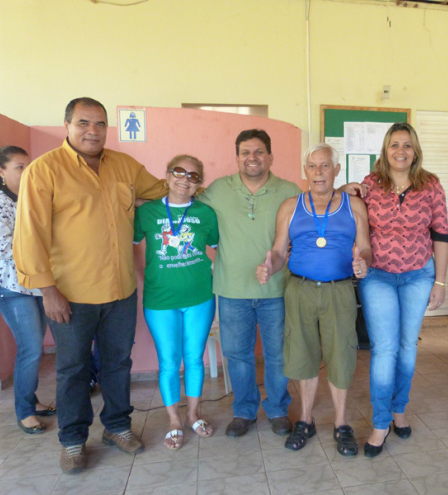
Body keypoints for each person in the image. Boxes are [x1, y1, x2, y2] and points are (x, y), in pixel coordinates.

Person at [13, 97, 168, 474]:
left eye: (100, 124)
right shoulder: (44, 171)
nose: (93, 131)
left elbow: (162, 189)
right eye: (84, 123)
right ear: (66, 125)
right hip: (70, 295)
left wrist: (194, 184)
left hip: (120, 290)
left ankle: (117, 427)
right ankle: (72, 440)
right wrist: (47, 290)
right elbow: (29, 234)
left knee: (118, 363)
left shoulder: (124, 165)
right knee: (72, 370)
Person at [344, 123, 448, 457]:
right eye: (394, 145)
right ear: (385, 151)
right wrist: (345, 189)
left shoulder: (430, 184)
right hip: (378, 276)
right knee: (384, 348)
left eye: (407, 145)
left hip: (419, 275)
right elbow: (349, 215)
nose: (400, 151)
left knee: (407, 347)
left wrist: (441, 282)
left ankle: (399, 410)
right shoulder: (371, 184)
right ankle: (380, 423)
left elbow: (442, 234)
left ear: (415, 150)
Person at [256, 143, 372, 456]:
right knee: (303, 355)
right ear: (305, 171)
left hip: (338, 290)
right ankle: (305, 421)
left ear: (336, 170)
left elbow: (366, 247)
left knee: (341, 356)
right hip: (300, 290)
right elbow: (280, 250)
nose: (318, 172)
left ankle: (341, 424)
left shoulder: (354, 206)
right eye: (312, 166)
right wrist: (270, 265)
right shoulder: (290, 206)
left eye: (325, 166)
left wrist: (364, 261)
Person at [198, 129, 301, 438]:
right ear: (237, 157)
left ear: (270, 156)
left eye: (259, 152)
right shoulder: (217, 189)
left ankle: (278, 409)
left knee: (277, 354)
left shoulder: (289, 190)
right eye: (245, 152)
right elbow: (185, 206)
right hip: (232, 290)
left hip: (277, 290)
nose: (252, 157)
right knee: (237, 355)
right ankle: (244, 411)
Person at [134, 155, 219, 450]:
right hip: (160, 300)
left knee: (194, 359)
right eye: (179, 172)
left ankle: (194, 413)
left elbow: (221, 250)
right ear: (168, 175)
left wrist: (214, 279)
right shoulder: (147, 212)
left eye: (194, 176)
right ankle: (173, 420)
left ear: (200, 184)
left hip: (200, 298)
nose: (185, 179)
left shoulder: (207, 213)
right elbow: (131, 248)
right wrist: (143, 278)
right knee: (169, 362)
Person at [0, 146, 56, 435]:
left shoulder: (30, 200)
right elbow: (4, 247)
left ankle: (31, 401)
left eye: (28, 166)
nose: (27, 171)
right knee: (31, 348)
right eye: (19, 167)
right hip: (12, 286)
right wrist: (41, 252)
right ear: (1, 172)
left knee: (34, 347)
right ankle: (24, 412)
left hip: (37, 286)